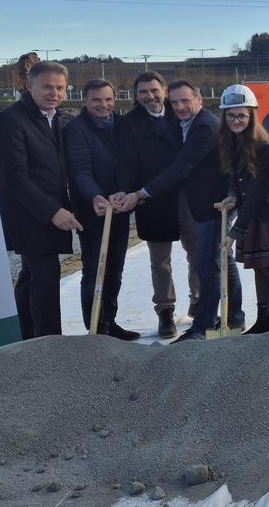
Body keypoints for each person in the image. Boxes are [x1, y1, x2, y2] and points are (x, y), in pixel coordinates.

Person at [116, 80, 243, 341]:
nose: (180, 107)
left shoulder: (204, 126)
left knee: (209, 263)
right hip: (187, 202)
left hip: (212, 203)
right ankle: (228, 319)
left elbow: (182, 166)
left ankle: (206, 324)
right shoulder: (173, 122)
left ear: (199, 98)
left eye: (185, 101)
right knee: (213, 262)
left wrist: (140, 194)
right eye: (175, 102)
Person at [0, 60, 80, 338]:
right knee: (45, 280)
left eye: (60, 88)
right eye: (46, 87)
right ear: (29, 86)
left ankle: (24, 336)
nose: (54, 93)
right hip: (28, 216)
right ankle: (49, 344)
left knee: (31, 278)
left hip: (46, 212)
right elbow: (15, 177)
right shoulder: (11, 120)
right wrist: (53, 211)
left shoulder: (57, 118)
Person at [113, 72, 198, 338]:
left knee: (196, 251)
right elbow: (127, 162)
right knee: (160, 260)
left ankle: (200, 301)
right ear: (136, 96)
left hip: (186, 194)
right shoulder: (128, 124)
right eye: (143, 92)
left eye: (154, 90)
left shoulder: (181, 114)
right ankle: (165, 311)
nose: (150, 96)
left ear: (164, 90)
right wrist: (124, 190)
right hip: (151, 197)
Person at [216, 85, 269, 334]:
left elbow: (256, 192)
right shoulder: (230, 141)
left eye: (242, 115)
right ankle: (261, 319)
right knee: (258, 267)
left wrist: (235, 232)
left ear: (251, 115)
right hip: (251, 214)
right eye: (231, 115)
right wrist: (231, 197)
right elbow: (234, 178)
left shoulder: (261, 146)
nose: (236, 120)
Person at [63, 78, 138, 339]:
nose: (103, 105)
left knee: (115, 266)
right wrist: (95, 196)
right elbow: (80, 169)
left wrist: (122, 190)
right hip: (92, 210)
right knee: (95, 266)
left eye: (108, 99)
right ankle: (95, 326)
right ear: (84, 101)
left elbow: (128, 162)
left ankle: (110, 320)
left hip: (118, 206)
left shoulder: (122, 124)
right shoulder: (76, 129)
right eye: (96, 100)